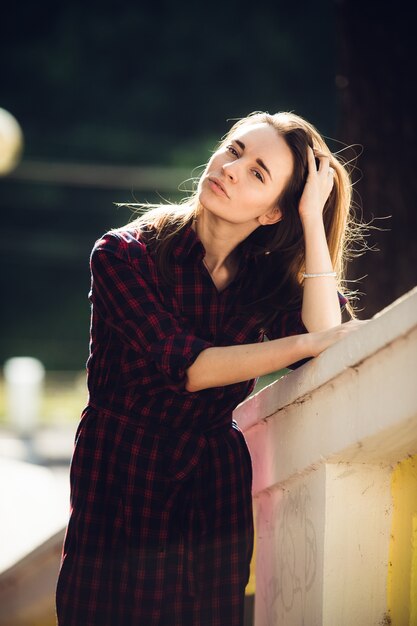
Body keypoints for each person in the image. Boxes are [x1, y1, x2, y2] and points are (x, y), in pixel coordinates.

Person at [55, 111, 365, 626]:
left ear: (272, 215)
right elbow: (188, 368)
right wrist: (306, 342)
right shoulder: (123, 253)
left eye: (258, 173)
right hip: (122, 470)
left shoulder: (264, 278)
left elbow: (324, 342)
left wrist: (312, 218)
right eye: (235, 150)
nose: (231, 168)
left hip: (212, 482)